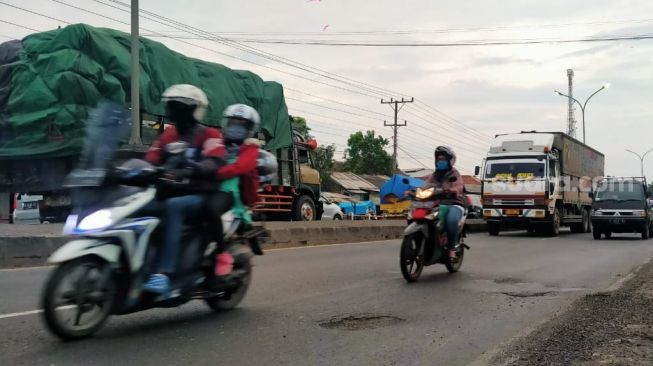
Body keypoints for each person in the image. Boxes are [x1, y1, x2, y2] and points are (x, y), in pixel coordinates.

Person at [142, 84, 226, 293]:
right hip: (169, 189)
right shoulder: (169, 134)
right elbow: (151, 158)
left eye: (176, 106)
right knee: (137, 207)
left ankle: (164, 272)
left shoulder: (209, 134)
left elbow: (215, 162)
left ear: (191, 109)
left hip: (198, 193)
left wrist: (193, 168)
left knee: (173, 207)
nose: (171, 111)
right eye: (170, 106)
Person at [206, 104, 261, 278]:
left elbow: (241, 166)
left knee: (211, 210)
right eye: (233, 123)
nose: (236, 128)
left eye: (241, 125)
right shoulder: (218, 144)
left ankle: (221, 255)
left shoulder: (250, 148)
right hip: (209, 187)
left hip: (231, 193)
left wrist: (217, 173)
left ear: (249, 129)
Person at [425, 146, 465, 259]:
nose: (440, 161)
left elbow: (458, 185)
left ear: (449, 160)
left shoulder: (454, 173)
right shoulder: (434, 175)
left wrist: (453, 189)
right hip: (438, 204)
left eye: (443, 159)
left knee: (451, 220)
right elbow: (425, 185)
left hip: (454, 203)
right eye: (439, 159)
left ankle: (452, 247)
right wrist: (414, 191)